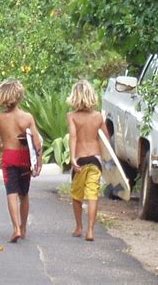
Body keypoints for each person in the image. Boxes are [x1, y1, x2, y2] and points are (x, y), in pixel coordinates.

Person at [0, 79, 42, 243]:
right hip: (24, 157)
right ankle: (24, 227)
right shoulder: (27, 117)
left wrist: (2, 148)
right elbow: (36, 143)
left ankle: (16, 228)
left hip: (9, 156)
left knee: (11, 192)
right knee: (24, 194)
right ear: (19, 96)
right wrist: (38, 162)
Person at [66, 80, 109, 242]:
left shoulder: (72, 116)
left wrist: (72, 158)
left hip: (80, 160)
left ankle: (79, 227)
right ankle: (90, 231)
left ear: (74, 97)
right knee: (93, 195)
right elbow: (106, 138)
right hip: (96, 160)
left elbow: (73, 136)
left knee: (77, 195)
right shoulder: (98, 116)